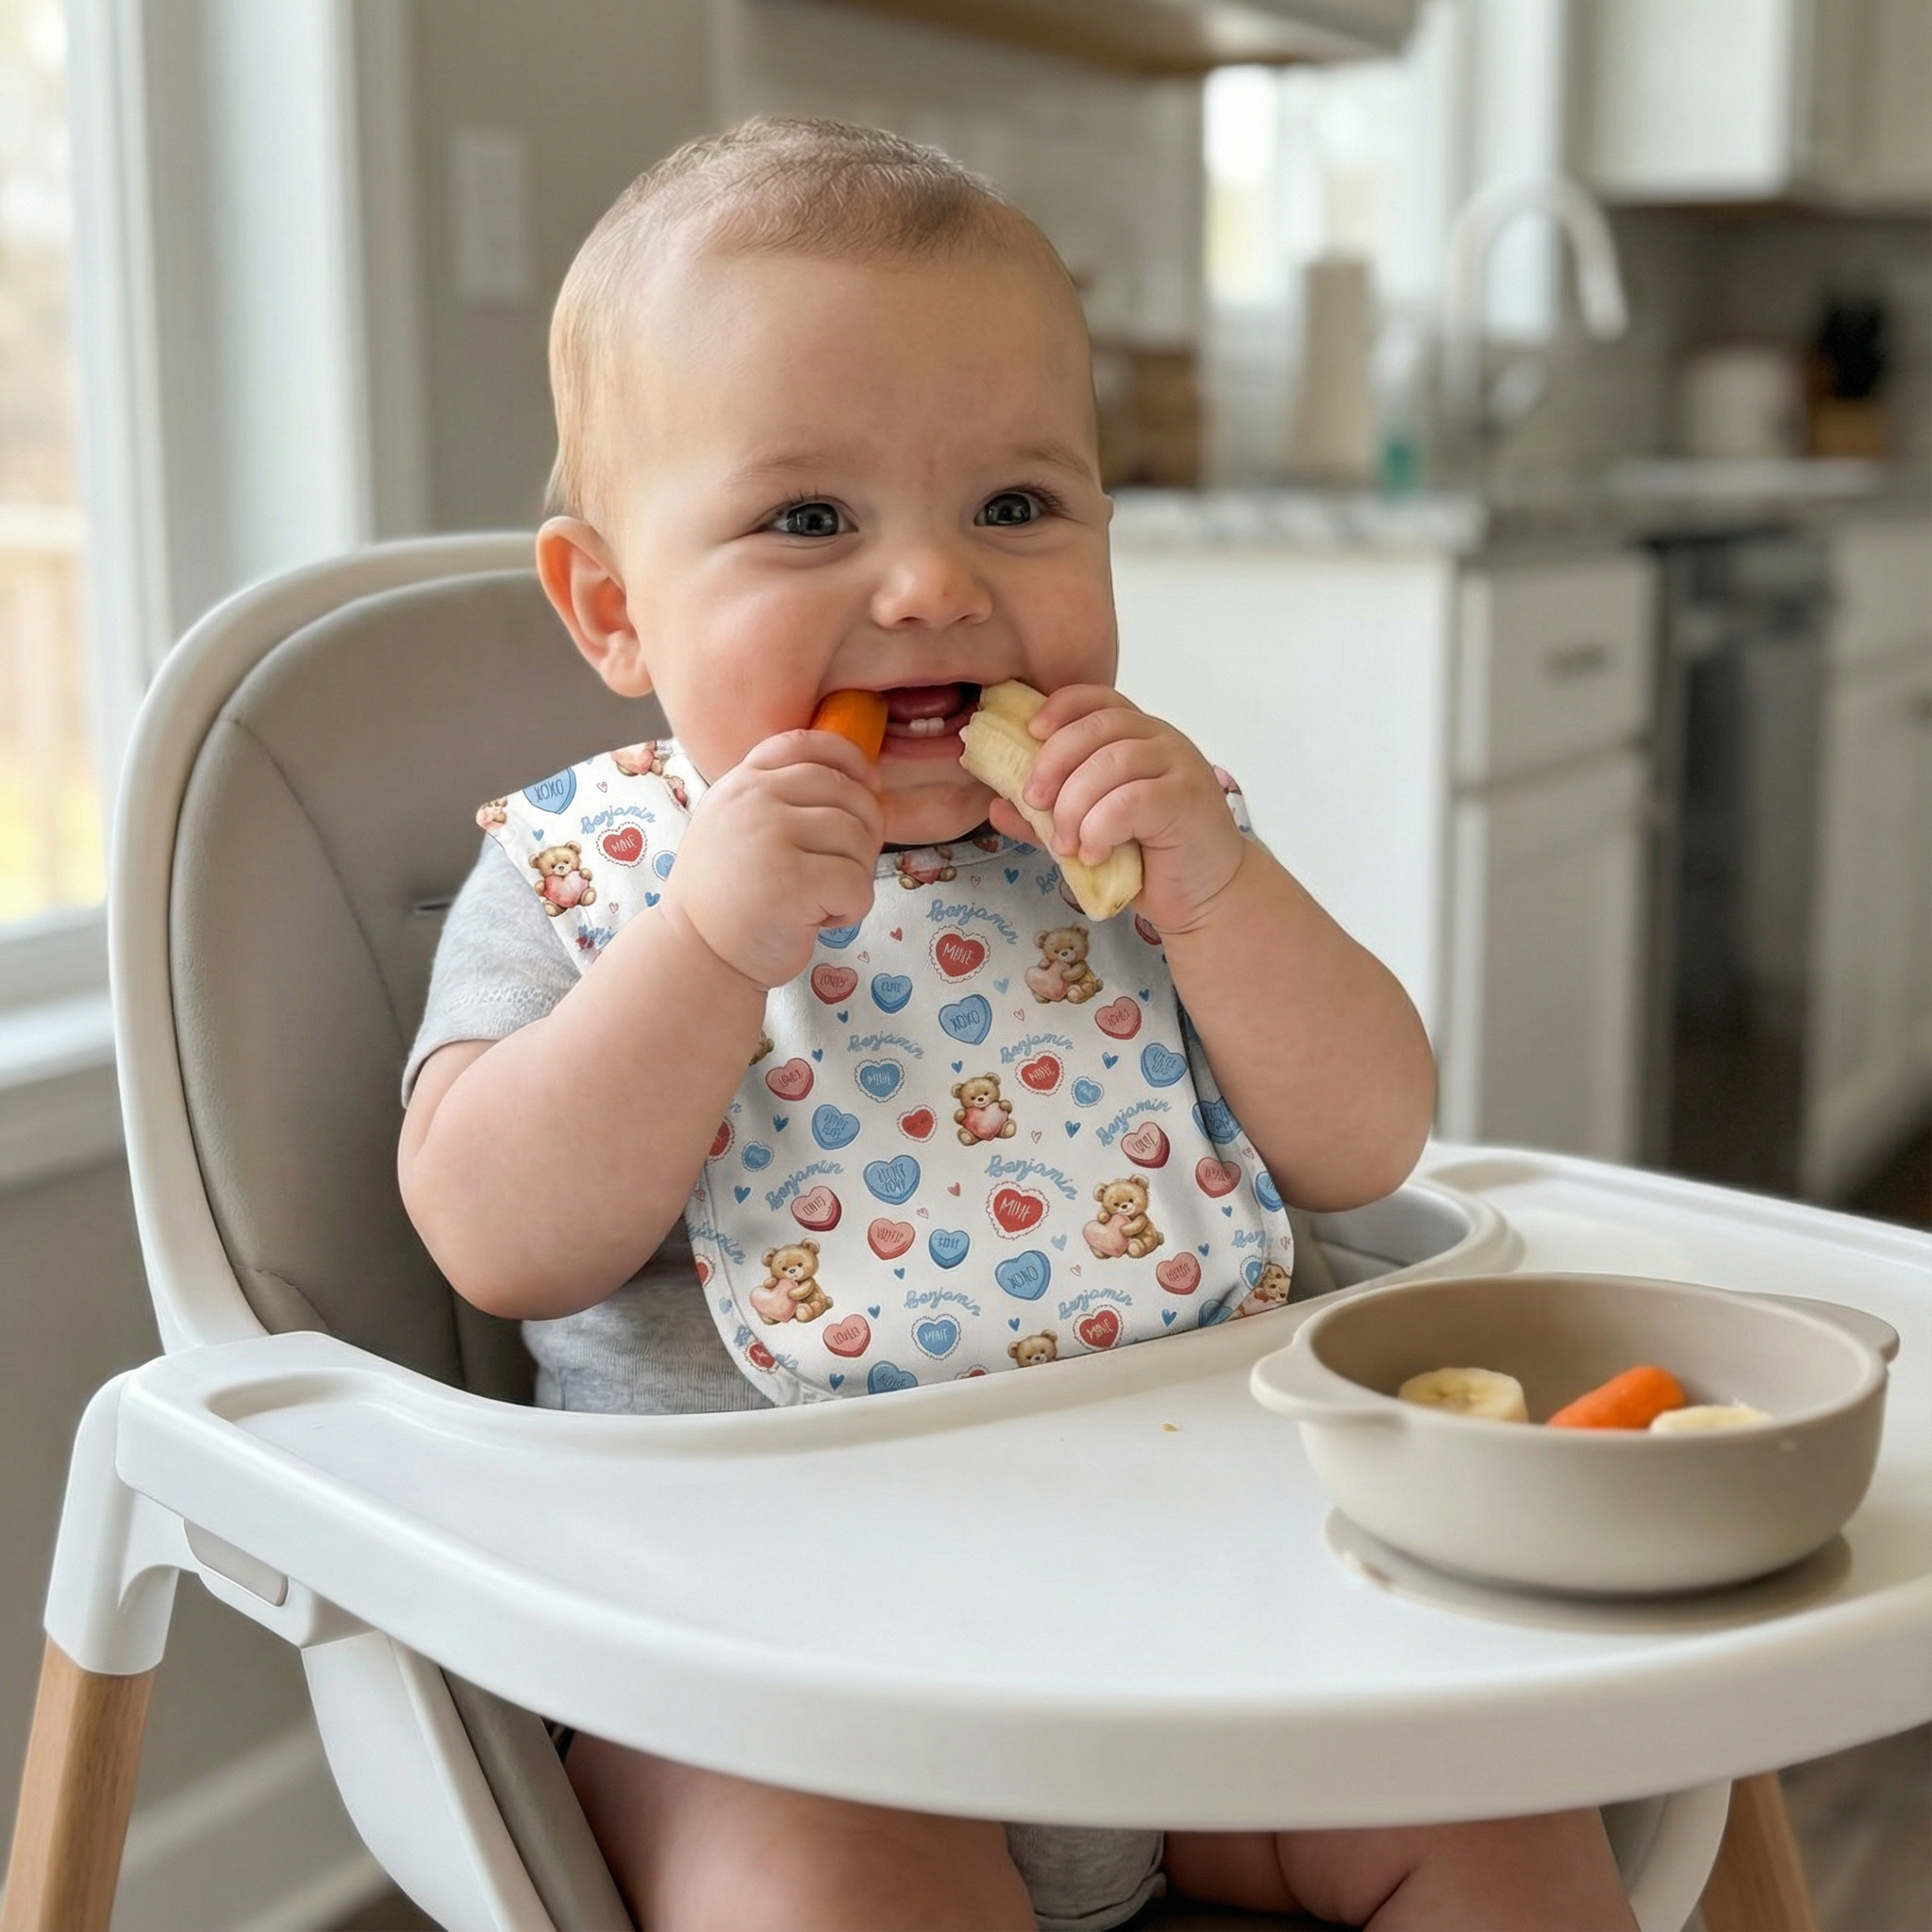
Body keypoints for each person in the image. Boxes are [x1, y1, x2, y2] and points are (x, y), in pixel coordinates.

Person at [398, 116, 1634, 1932]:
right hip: (780, 1688)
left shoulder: (1136, 843)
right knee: (813, 1887)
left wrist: (1219, 893)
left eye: (1015, 506)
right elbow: (497, 1239)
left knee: (1505, 1829)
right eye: (809, 518)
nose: (931, 586)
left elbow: (1367, 1146)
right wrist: (706, 951)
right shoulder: (590, 877)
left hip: (1210, 1618)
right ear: (612, 606)